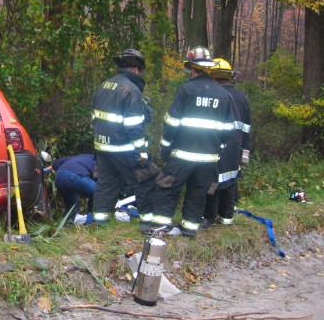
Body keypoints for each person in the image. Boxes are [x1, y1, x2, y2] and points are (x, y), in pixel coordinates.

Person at [143, 46, 235, 237]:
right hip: (209, 158)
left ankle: (159, 226)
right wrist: (218, 149)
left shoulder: (186, 90)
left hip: (182, 155)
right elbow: (228, 130)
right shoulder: (224, 95)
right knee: (198, 192)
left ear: (192, 68)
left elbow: (171, 123)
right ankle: (189, 228)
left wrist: (165, 148)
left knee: (167, 187)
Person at [90, 48, 157, 226]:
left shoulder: (104, 86)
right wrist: (142, 151)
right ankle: (148, 224)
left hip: (103, 147)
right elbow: (133, 125)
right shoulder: (131, 90)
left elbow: (96, 117)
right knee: (145, 181)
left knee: (106, 184)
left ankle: (99, 222)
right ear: (135, 69)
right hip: (124, 148)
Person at [202, 58, 252, 226]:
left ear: (212, 76)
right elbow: (246, 127)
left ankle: (209, 217)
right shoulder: (242, 97)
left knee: (213, 180)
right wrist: (245, 149)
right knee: (230, 179)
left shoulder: (214, 96)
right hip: (235, 147)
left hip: (217, 145)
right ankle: (226, 218)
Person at [45, 154, 96, 222]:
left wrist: (46, 169)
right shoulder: (98, 161)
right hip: (74, 176)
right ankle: (90, 221)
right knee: (99, 192)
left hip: (59, 177)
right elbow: (98, 187)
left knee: (71, 205)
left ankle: (68, 224)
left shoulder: (81, 157)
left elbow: (62, 160)